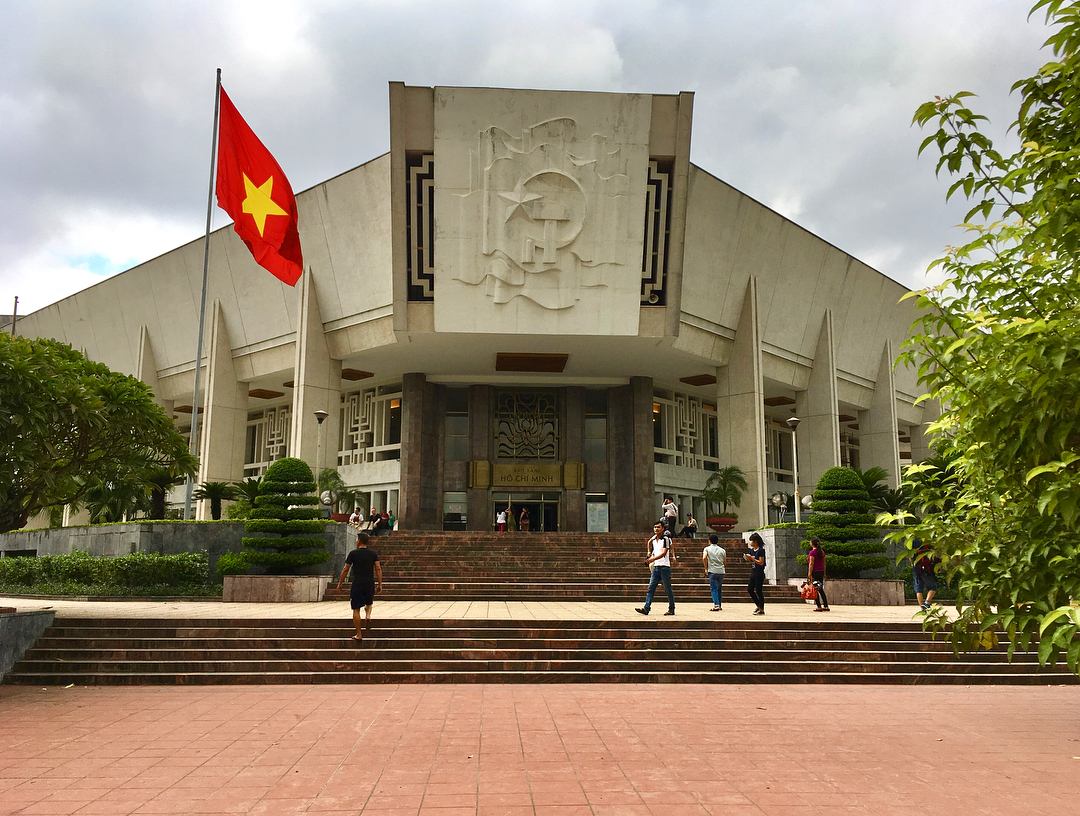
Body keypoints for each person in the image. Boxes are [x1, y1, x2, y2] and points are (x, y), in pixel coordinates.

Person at [336, 532, 383, 641]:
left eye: (357, 540)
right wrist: (380, 584)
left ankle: (359, 634)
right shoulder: (373, 554)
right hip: (369, 583)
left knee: (356, 609)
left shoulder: (353, 553)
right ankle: (368, 615)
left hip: (357, 583)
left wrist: (340, 582)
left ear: (359, 541)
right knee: (369, 602)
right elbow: (378, 568)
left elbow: (345, 569)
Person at [636, 521, 676, 616]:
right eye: (655, 527)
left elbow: (664, 553)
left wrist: (651, 559)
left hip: (664, 567)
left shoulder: (665, 539)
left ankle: (671, 609)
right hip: (656, 568)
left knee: (667, 589)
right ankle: (646, 608)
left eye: (658, 527)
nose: (656, 529)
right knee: (651, 588)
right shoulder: (654, 539)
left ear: (663, 528)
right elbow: (649, 542)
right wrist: (649, 552)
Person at [912, 540, 939, 611]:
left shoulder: (913, 542)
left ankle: (922, 608)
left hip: (916, 568)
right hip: (927, 568)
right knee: (933, 587)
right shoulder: (928, 541)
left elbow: (910, 556)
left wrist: (913, 564)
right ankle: (926, 603)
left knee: (918, 589)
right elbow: (934, 554)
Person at [702, 534, 726, 611]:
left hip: (712, 570)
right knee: (719, 588)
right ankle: (719, 604)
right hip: (721, 570)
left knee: (714, 589)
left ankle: (716, 604)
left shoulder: (707, 549)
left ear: (710, 541)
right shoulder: (722, 550)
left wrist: (706, 568)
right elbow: (725, 561)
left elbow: (704, 557)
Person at [744, 532, 767, 615]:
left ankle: (762, 608)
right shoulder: (751, 550)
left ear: (755, 541)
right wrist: (748, 558)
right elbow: (751, 560)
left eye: (751, 541)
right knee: (750, 589)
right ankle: (758, 605)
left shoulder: (761, 550)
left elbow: (761, 562)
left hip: (759, 572)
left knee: (759, 590)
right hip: (753, 572)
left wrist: (752, 559)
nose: (750, 543)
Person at [807, 536, 830, 612]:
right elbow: (824, 564)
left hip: (815, 572)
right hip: (821, 572)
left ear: (812, 544)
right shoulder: (822, 552)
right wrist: (824, 573)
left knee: (815, 590)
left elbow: (811, 564)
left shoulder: (812, 552)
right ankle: (826, 605)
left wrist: (809, 574)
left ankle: (819, 606)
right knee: (820, 589)